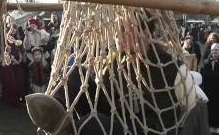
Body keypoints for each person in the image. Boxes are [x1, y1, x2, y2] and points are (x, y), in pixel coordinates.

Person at [51, 17, 198, 135]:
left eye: (122, 30)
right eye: (116, 30)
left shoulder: (172, 68)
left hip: (150, 128)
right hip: (116, 121)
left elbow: (192, 112)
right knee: (76, 73)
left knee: (92, 124)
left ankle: (67, 129)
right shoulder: (115, 63)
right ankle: (51, 112)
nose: (116, 35)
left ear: (145, 33)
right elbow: (102, 98)